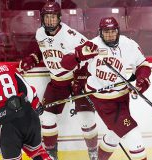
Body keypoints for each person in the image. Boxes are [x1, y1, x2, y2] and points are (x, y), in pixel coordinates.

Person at [60, 17, 151, 160]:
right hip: (103, 99)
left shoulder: (128, 44)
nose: (109, 35)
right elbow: (65, 63)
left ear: (118, 31)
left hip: (122, 97)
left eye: (112, 31)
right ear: (100, 32)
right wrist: (79, 55)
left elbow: (143, 65)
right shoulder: (92, 45)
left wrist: (141, 79)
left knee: (115, 133)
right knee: (133, 136)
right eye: (106, 32)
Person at [18, 1, 98, 160]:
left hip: (78, 80)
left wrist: (80, 78)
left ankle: (93, 153)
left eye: (53, 17)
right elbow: (42, 50)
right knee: (46, 118)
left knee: (86, 119)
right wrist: (32, 59)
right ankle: (51, 154)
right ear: (42, 19)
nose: (50, 21)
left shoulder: (70, 35)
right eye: (47, 17)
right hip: (57, 82)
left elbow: (92, 50)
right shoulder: (40, 33)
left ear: (59, 18)